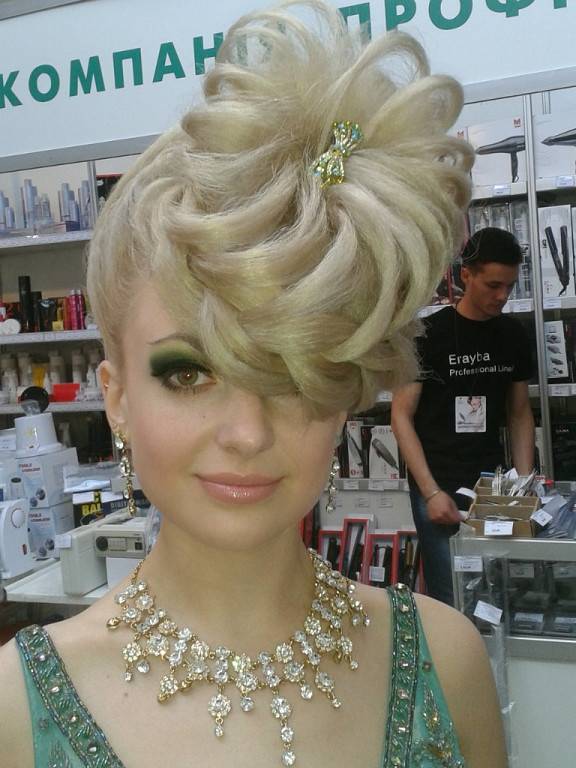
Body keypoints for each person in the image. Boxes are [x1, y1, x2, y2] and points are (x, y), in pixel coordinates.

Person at [0, 3, 507, 766]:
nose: (247, 431)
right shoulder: (14, 709)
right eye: (190, 373)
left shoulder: (450, 662)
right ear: (117, 397)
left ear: (344, 392)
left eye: (290, 373)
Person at [392, 227, 535, 606]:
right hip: (436, 483)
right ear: (466, 275)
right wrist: (430, 492)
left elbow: (520, 413)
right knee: (450, 597)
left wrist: (523, 485)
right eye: (493, 285)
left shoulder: (513, 335)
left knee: (497, 593)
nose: (502, 296)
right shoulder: (427, 334)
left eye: (509, 286)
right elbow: (401, 417)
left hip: (492, 485)